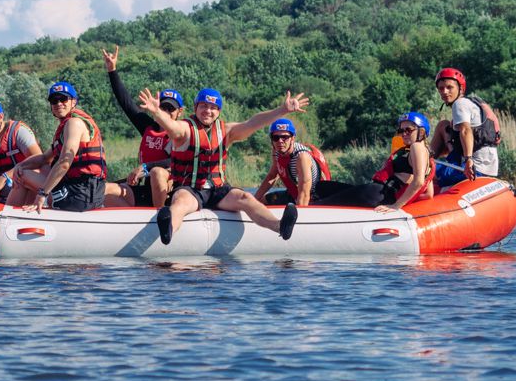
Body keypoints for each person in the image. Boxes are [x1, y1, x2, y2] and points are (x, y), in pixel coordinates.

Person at [137, 87, 308, 245]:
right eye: (203, 106)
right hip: (190, 189)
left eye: (213, 107)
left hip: (218, 191)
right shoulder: (185, 129)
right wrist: (157, 113)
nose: (208, 111)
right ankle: (168, 231)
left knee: (245, 197)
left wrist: (282, 110)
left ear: (218, 111)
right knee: (180, 202)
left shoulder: (227, 131)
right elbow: (172, 126)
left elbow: (252, 123)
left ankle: (280, 227)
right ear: (195, 107)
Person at [101, 45, 183, 207]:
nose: (166, 112)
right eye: (163, 108)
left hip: (169, 192)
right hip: (143, 188)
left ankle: (161, 218)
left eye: (170, 109)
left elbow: (175, 161)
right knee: (103, 190)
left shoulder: (182, 133)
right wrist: (112, 70)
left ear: (179, 112)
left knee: (157, 172)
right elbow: (126, 103)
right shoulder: (148, 126)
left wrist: (145, 167)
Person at [12, 81, 108, 213]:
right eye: (54, 100)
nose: (58, 104)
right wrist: (20, 166)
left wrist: (42, 194)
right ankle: (23, 211)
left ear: (73, 102)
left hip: (80, 193)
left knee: (23, 176)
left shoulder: (74, 123)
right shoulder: (65, 128)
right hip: (81, 189)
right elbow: (45, 158)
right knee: (22, 171)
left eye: (63, 99)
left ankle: (9, 214)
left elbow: (64, 163)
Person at [314, 112, 435, 210]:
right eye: (401, 131)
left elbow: (418, 182)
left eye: (408, 130)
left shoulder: (417, 146)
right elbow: (429, 194)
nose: (403, 134)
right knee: (323, 187)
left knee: (322, 202)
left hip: (377, 194)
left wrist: (397, 205)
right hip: (378, 194)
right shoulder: (426, 157)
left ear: (422, 132)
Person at [430, 67, 500, 189]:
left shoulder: (459, 104)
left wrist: (468, 160)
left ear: (461, 88)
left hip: (474, 169)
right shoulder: (473, 103)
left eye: (449, 87)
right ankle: (425, 158)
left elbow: (466, 131)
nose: (444, 92)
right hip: (490, 169)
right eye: (441, 88)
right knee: (444, 125)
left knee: (424, 170)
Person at [253, 118, 338, 208]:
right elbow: (272, 176)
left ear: (292, 138)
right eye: (275, 138)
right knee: (260, 201)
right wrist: (252, 201)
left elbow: (304, 195)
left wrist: (298, 217)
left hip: (313, 198)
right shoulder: (276, 151)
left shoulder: (302, 157)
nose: (280, 141)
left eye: (285, 137)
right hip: (294, 194)